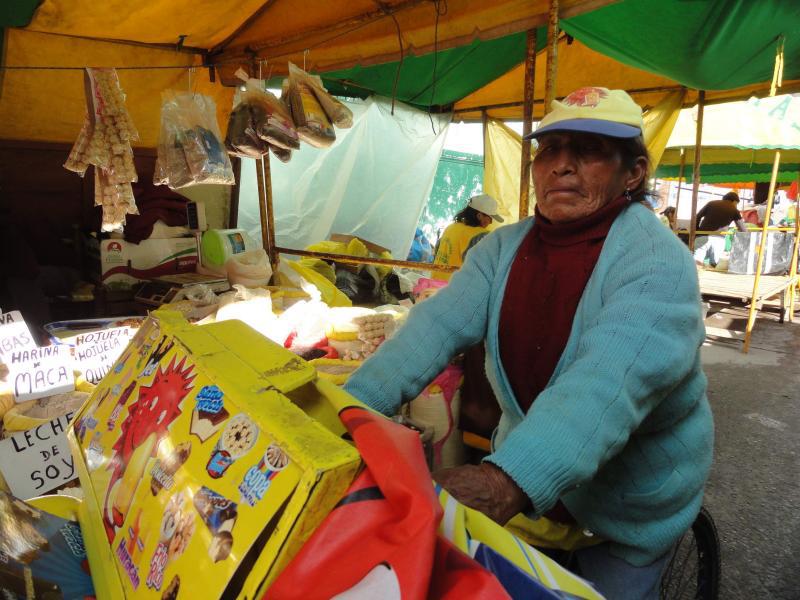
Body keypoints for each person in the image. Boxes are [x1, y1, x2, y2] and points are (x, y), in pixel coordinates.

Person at [344, 87, 713, 599]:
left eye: (586, 150)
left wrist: (504, 481)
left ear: (632, 173)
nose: (561, 166)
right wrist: (349, 410)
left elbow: (603, 387)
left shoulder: (657, 263)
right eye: (550, 150)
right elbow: (433, 328)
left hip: (623, 505)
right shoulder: (500, 249)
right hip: (534, 474)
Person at [430, 194, 503, 281]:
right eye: (490, 218)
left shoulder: (451, 227)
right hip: (454, 288)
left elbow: (436, 252)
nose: (491, 222)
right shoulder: (480, 235)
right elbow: (484, 269)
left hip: (434, 282)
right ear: (479, 216)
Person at [693, 191, 747, 267]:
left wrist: (697, 230)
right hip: (718, 240)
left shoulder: (711, 203)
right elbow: (743, 229)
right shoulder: (734, 210)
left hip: (702, 236)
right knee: (713, 265)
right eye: (737, 203)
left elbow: (697, 216)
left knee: (696, 262)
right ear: (734, 201)